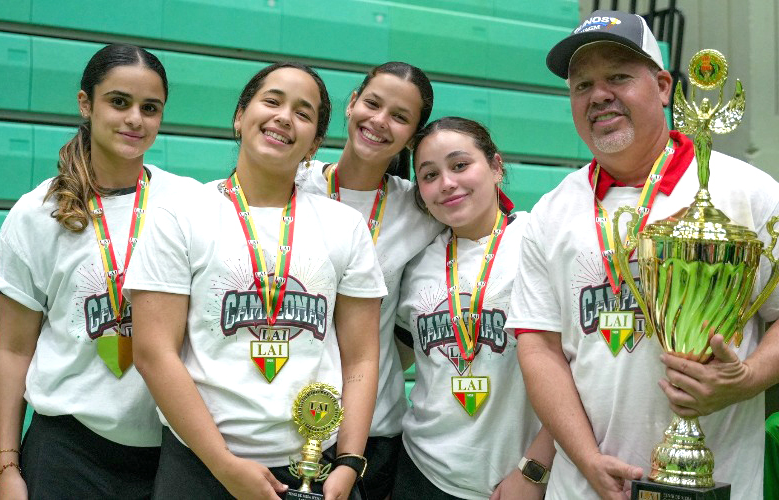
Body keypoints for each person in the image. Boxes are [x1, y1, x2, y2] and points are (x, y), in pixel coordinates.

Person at [505, 10, 779, 500]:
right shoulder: (549, 214)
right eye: (581, 85)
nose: (598, 95)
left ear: (663, 86)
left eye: (617, 76)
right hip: (588, 486)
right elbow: (540, 348)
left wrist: (748, 379)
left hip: (719, 482)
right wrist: (587, 461)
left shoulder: (748, 192)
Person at [124, 62, 386, 499]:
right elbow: (153, 352)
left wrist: (349, 462)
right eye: (272, 100)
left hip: (315, 465)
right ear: (239, 116)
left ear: (315, 143)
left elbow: (361, 358)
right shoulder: (180, 215)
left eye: (303, 113)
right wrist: (223, 465)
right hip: (202, 464)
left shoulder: (345, 226)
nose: (285, 116)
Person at [0, 44, 188, 498]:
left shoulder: (188, 203)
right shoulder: (36, 214)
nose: (135, 119)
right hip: (68, 452)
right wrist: (7, 470)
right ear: (86, 103)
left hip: (170, 453)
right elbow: (14, 350)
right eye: (119, 102)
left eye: (150, 108)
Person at [295, 61, 442, 499]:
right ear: (351, 103)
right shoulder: (293, 181)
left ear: (413, 136)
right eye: (373, 104)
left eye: (399, 116)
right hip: (284, 422)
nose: (379, 121)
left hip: (374, 432)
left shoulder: (422, 210)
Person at [393, 117, 554, 500]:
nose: (446, 183)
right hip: (420, 473)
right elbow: (393, 359)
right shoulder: (415, 263)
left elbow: (582, 374)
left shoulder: (538, 243)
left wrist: (534, 470)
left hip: (517, 481)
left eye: (460, 165)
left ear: (496, 167)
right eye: (429, 175)